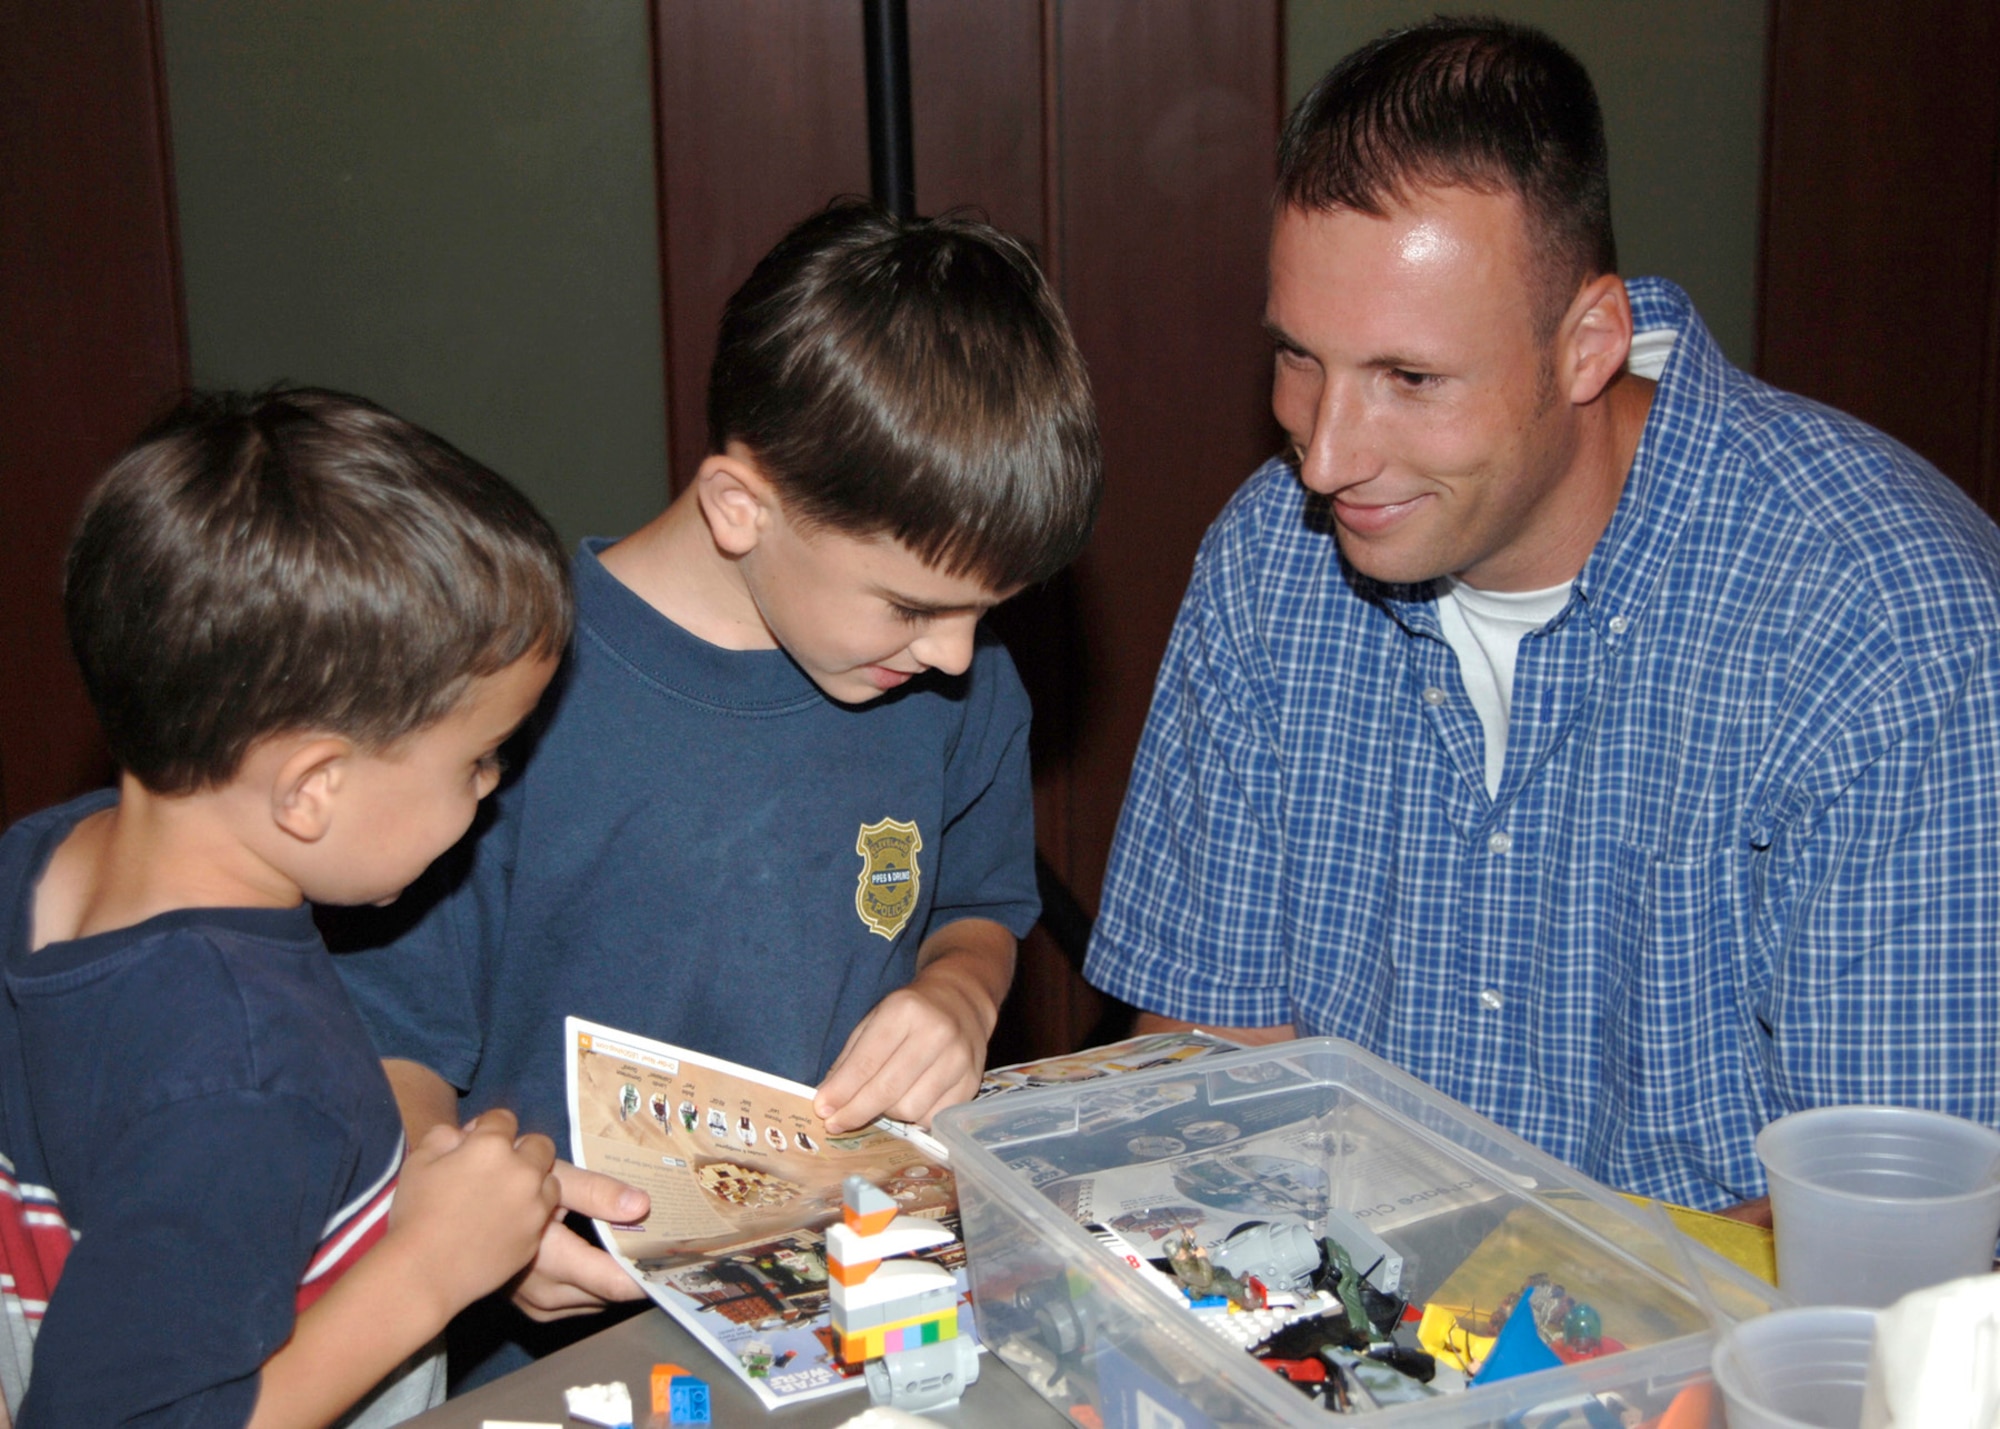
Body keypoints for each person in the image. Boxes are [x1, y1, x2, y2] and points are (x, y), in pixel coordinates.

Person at [1085, 18, 2000, 1215]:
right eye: (1299, 358)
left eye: (1408, 378)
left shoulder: (1887, 626)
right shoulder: (1268, 562)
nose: (1321, 455)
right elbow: (1203, 1071)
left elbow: (1886, 1230)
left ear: (1586, 345)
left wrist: (1518, 1353)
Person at [331, 199, 1102, 1382]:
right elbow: (395, 1046)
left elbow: (981, 900)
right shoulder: (500, 701)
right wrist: (466, 1219)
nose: (955, 657)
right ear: (740, 508)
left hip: (858, 1315)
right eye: (911, 607)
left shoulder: (957, 686)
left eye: (985, 612)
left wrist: (956, 992)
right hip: (557, 1339)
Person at [0, 389, 574, 1425]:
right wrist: (430, 1269)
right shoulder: (249, 1073)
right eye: (479, 757)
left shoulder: (32, 867)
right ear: (312, 787)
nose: (493, 787)